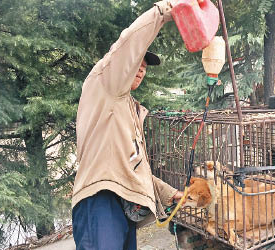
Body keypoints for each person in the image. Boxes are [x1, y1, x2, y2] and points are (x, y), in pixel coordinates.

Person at [71, 1, 188, 249]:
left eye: (146, 67)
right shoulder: (105, 83)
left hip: (122, 204)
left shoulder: (128, 109)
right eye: (138, 62)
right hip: (100, 200)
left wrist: (170, 194)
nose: (142, 69)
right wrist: (165, 9)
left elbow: (132, 168)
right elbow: (128, 45)